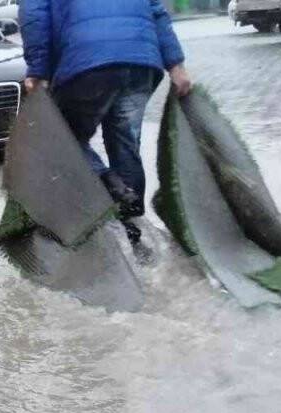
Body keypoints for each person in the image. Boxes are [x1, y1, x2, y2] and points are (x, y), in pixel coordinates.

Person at [19, 0, 193, 245]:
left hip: (87, 61)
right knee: (125, 145)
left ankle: (107, 183)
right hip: (140, 62)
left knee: (63, 138)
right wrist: (176, 64)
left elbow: (34, 16)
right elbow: (156, 9)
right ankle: (134, 230)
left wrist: (38, 71)